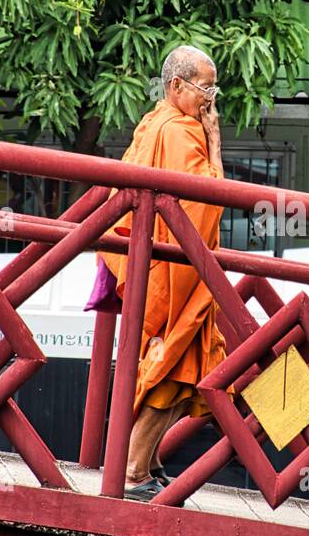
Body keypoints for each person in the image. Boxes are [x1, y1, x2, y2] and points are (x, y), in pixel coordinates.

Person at [96, 45, 228, 501]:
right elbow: (206, 201)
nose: (211, 98)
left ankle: (148, 462)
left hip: (153, 267)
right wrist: (214, 140)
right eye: (205, 88)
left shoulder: (154, 122)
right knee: (173, 364)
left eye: (214, 87)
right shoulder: (182, 130)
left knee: (185, 361)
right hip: (172, 273)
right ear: (177, 86)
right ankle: (133, 472)